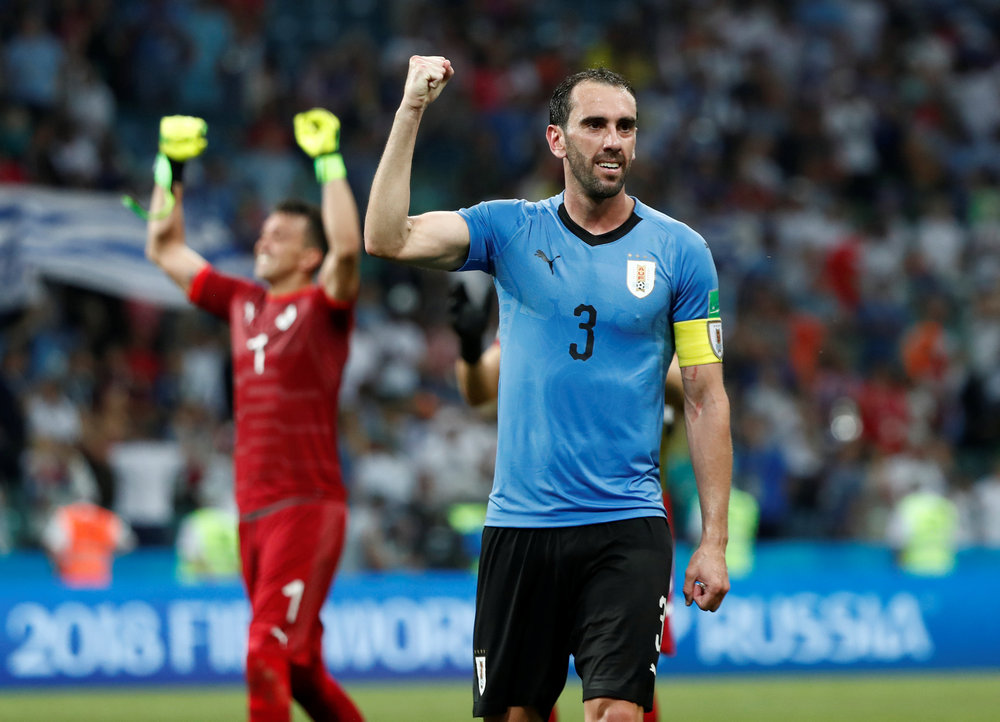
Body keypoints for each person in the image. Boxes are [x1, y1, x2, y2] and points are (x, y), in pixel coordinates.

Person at [366, 56, 732, 722]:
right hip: (522, 525)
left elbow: (706, 395)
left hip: (627, 522)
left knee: (616, 713)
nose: (613, 139)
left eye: (626, 126)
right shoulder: (509, 230)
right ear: (557, 139)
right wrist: (411, 107)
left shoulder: (681, 252)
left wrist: (714, 540)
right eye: (594, 124)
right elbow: (385, 237)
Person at [144, 111, 364, 721]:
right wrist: (172, 166)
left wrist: (329, 162)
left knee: (264, 652)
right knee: (300, 671)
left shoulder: (326, 308)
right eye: (263, 231)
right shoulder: (242, 303)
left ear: (308, 255)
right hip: (253, 513)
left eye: (278, 235)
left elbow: (349, 248)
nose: (262, 241)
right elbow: (163, 246)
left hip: (305, 505)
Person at [448, 282, 682, 722]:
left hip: (628, 516)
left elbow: (695, 387)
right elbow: (479, 390)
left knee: (623, 686)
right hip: (538, 514)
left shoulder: (650, 330)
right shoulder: (538, 320)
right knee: (527, 688)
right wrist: (468, 346)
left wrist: (622, 351)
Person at [41, 493, 136, 588]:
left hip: (69, 580)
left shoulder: (62, 517)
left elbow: (52, 546)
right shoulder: (108, 518)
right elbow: (127, 544)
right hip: (100, 580)